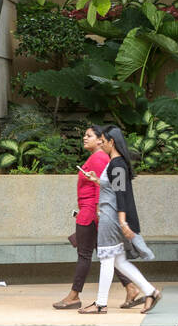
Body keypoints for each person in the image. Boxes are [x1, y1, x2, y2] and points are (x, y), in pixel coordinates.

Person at [53, 124, 142, 310]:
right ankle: (132, 287)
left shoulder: (99, 158)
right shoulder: (98, 157)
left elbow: (102, 189)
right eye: (85, 135)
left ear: (101, 140)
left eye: (89, 136)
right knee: (110, 256)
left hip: (90, 215)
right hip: (92, 214)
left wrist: (98, 214)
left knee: (85, 255)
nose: (85, 138)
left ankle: (74, 296)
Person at [80, 125, 163, 314]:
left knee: (107, 259)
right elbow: (113, 188)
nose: (100, 143)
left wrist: (123, 222)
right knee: (119, 262)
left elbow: (121, 195)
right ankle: (151, 292)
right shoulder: (115, 163)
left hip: (111, 218)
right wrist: (96, 180)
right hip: (112, 216)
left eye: (103, 140)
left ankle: (100, 304)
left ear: (111, 142)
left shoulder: (117, 165)